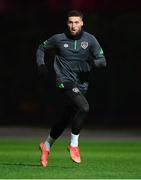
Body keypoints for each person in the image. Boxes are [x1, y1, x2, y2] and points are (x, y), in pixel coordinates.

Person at [36, 10, 106, 167]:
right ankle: (74, 145)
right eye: (70, 22)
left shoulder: (90, 40)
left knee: (64, 119)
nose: (73, 25)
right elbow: (41, 48)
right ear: (67, 23)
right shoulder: (58, 39)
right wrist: (41, 65)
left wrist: (92, 63)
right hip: (64, 81)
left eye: (76, 22)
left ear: (82, 23)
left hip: (81, 85)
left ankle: (46, 146)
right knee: (84, 107)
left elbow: (103, 61)